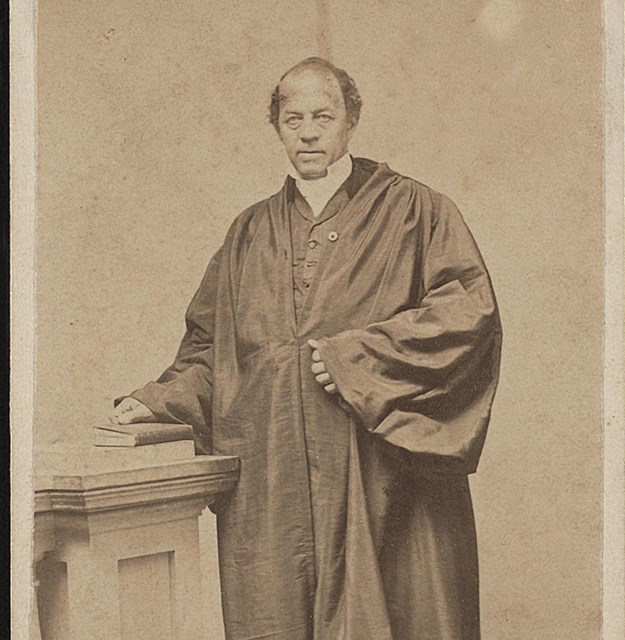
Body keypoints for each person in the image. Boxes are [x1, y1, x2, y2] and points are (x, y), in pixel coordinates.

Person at [110, 57, 502, 640]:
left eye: (324, 115)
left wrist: (358, 358)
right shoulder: (247, 234)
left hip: (382, 477)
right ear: (277, 127)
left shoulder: (417, 211)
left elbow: (469, 315)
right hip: (277, 484)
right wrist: (155, 400)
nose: (310, 131)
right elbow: (209, 350)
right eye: (293, 119)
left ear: (351, 120)